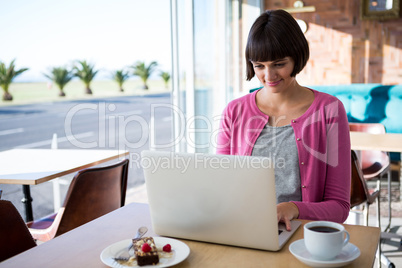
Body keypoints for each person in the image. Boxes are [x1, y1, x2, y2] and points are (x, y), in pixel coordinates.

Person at [216, 9, 351, 231]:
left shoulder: (330, 110)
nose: (268, 76)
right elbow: (221, 187)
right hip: (244, 230)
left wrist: (294, 208)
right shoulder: (234, 111)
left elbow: (339, 208)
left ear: (297, 57)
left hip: (302, 234)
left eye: (279, 64)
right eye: (259, 66)